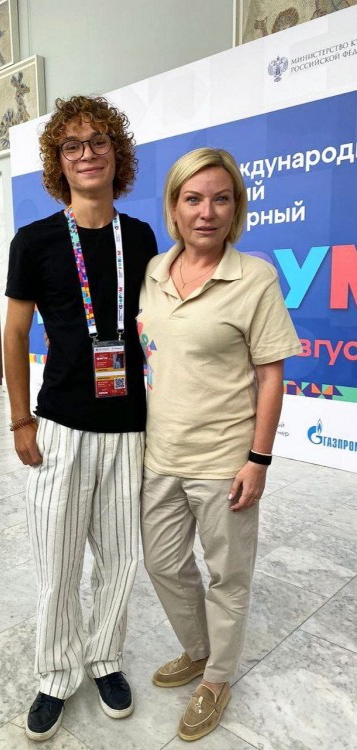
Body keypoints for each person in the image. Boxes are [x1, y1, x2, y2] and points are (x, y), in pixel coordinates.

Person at [4, 95, 157, 742]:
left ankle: (105, 660)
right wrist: (20, 421)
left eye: (98, 142)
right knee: (57, 564)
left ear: (116, 156)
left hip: (128, 428)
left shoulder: (140, 237)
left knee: (120, 560)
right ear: (57, 162)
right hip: (60, 427)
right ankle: (56, 672)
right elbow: (15, 333)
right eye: (73, 145)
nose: (87, 153)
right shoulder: (35, 241)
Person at [138, 147, 301, 742]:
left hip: (224, 460)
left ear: (236, 209)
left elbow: (271, 376)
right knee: (162, 563)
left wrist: (258, 459)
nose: (206, 212)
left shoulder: (254, 277)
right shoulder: (153, 273)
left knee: (227, 575)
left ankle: (217, 679)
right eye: (193, 199)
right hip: (160, 454)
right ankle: (199, 648)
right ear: (174, 208)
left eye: (220, 199)